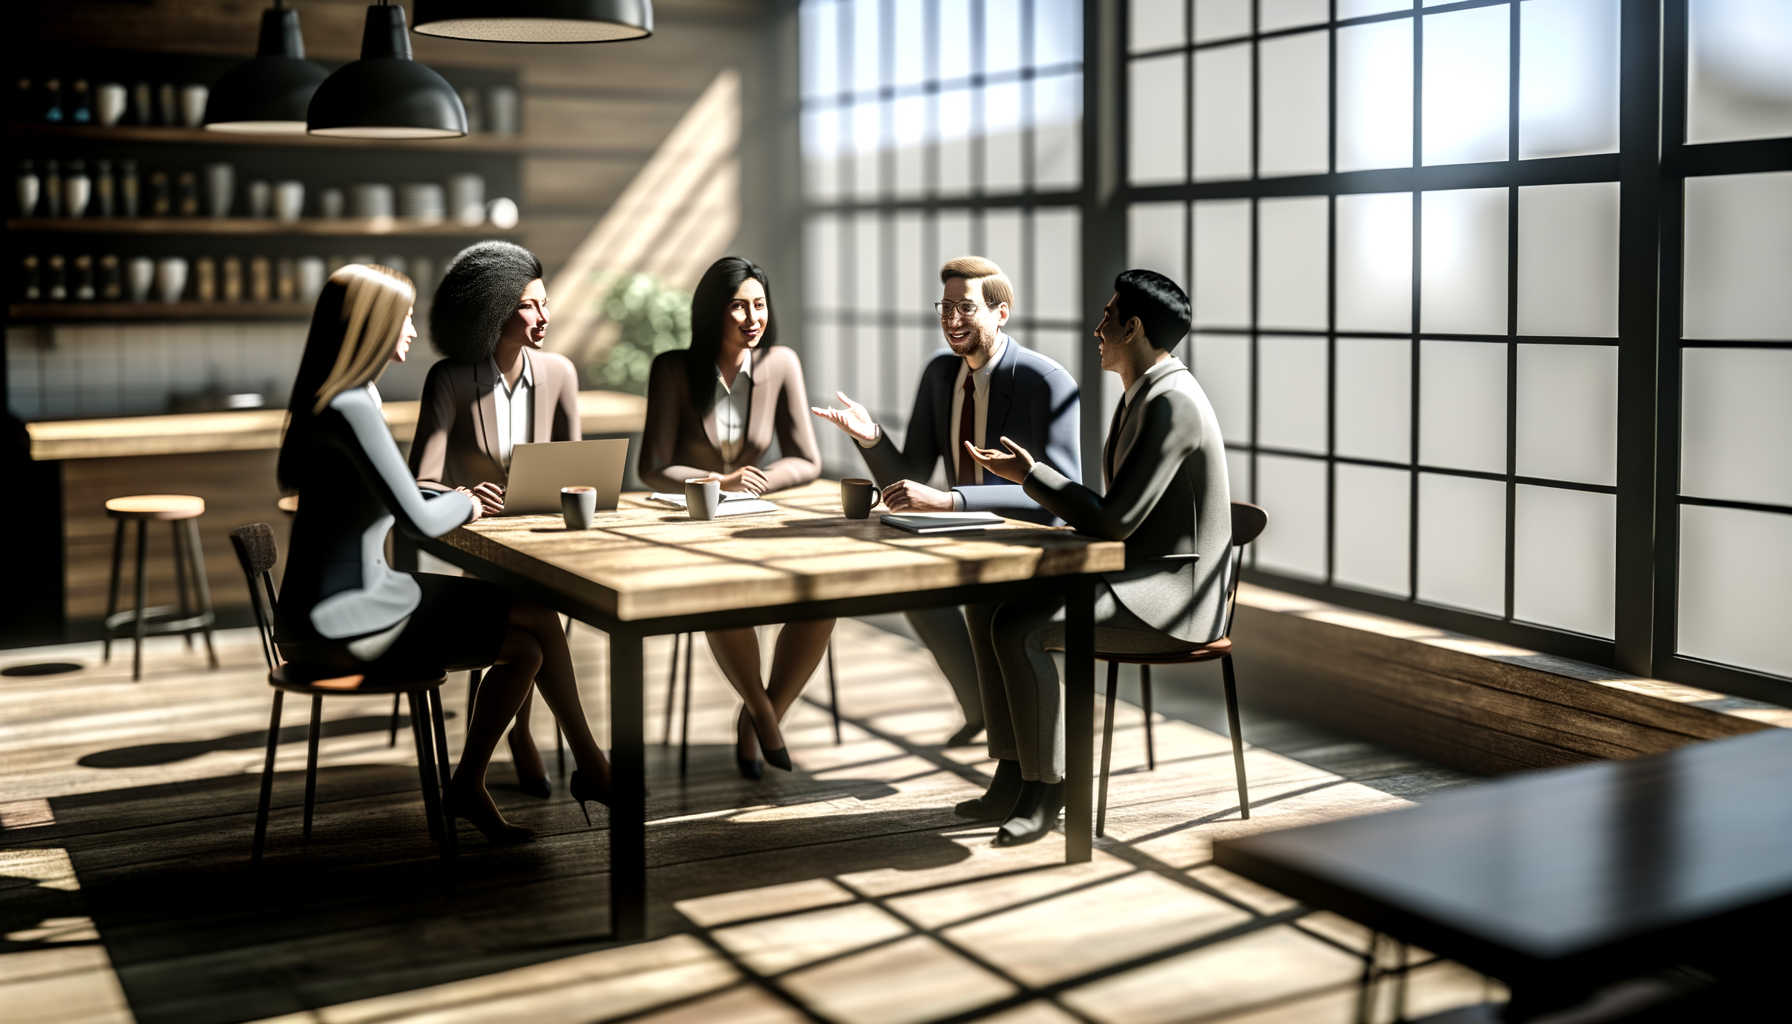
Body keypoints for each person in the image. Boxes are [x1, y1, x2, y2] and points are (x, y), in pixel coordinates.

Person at [275, 263, 611, 845]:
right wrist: (466, 505)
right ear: (373, 325)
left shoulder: (338, 399)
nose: (411, 328)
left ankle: (477, 784)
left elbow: (395, 493)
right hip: (346, 621)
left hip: (348, 602)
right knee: (531, 620)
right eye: (403, 317)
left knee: (528, 644)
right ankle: (591, 765)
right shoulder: (351, 405)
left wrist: (445, 494)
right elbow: (418, 519)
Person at [959, 269, 1232, 846]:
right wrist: (1034, 479)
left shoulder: (1172, 403)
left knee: (1020, 627)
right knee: (990, 605)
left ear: (1133, 327)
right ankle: (1014, 772)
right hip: (1135, 573)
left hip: (1174, 596)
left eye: (1108, 317)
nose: (1097, 329)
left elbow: (1116, 520)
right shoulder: (1146, 393)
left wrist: (1031, 475)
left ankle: (1049, 788)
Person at [811, 256, 1081, 746]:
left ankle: (1011, 738)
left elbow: (1058, 498)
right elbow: (911, 477)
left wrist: (953, 501)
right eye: (946, 307)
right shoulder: (941, 375)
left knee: (993, 613)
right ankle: (982, 707)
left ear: (1002, 313)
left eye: (966, 308)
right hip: (959, 532)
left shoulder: (1044, 382)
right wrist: (871, 438)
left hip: (1022, 546)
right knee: (913, 589)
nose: (952, 319)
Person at [639, 256, 832, 779]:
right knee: (724, 594)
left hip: (761, 518)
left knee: (823, 601)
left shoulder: (781, 363)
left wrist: (763, 478)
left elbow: (807, 459)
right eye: (738, 306)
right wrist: (716, 483)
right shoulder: (674, 370)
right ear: (712, 312)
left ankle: (759, 718)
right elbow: (652, 468)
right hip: (694, 528)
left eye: (760, 305)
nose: (753, 318)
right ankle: (763, 715)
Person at [408, 241, 580, 798]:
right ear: (492, 308)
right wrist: (462, 493)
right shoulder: (451, 379)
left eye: (546, 304)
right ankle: (538, 741)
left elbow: (574, 470)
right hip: (481, 545)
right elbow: (419, 482)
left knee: (536, 607)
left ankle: (534, 740)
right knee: (530, 611)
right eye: (530, 305)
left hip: (542, 539)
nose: (544, 317)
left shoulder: (559, 373)